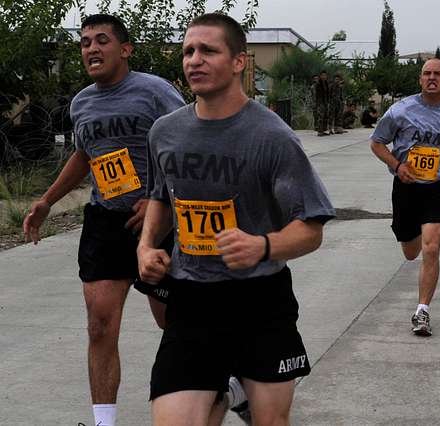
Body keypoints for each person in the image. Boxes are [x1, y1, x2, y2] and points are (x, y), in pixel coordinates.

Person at [137, 13, 335, 426]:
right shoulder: (164, 132)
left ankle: (233, 390)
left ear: (239, 62)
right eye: (189, 51)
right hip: (192, 298)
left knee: (269, 421)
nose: (194, 60)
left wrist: (262, 246)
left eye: (208, 50)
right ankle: (226, 392)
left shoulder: (272, 137)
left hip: (260, 300)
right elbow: (160, 196)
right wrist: (147, 245)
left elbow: (311, 226)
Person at [21, 14, 185, 426]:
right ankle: (103, 422)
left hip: (158, 223)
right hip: (105, 221)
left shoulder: (154, 91)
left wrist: (157, 197)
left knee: (174, 322)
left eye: (101, 41)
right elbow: (84, 156)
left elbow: (187, 140)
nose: (91, 49)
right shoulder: (82, 102)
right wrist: (47, 201)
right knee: (99, 325)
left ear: (125, 49)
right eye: (84, 43)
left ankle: (221, 381)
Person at [370, 59, 440, 336]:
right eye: (427, 73)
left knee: (431, 248)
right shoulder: (400, 110)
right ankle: (410, 234)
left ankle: (422, 311)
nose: (432, 78)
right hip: (406, 185)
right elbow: (377, 143)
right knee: (411, 250)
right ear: (419, 80)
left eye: (438, 74)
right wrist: (396, 165)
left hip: (438, 186)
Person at [315, 70, 330, 136]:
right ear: (320, 76)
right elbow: (317, 95)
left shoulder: (326, 83)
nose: (324, 77)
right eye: (322, 75)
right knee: (321, 116)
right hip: (320, 102)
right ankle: (320, 131)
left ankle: (324, 130)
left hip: (325, 102)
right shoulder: (318, 84)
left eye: (325, 75)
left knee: (325, 116)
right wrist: (319, 103)